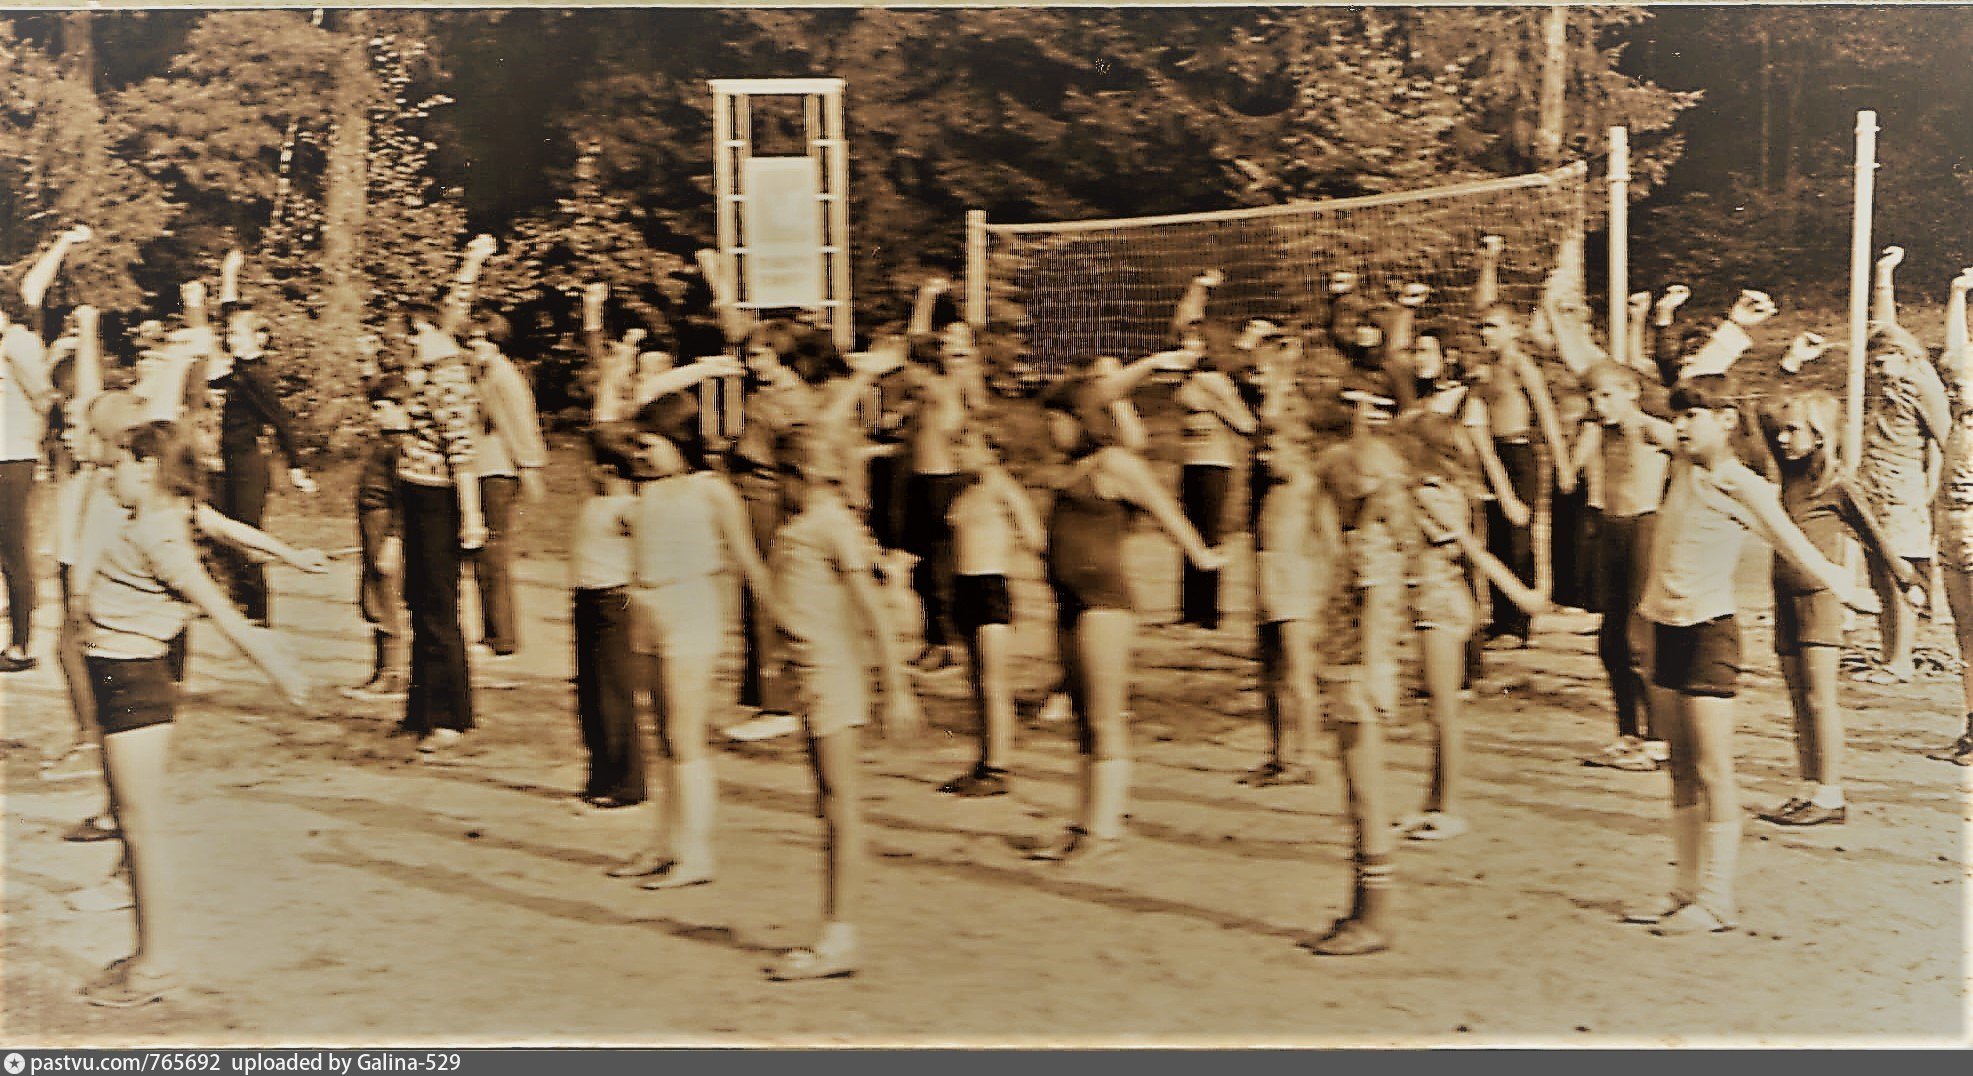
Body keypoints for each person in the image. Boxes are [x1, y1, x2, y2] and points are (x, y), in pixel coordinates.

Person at [74, 418, 309, 1007]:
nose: (111, 474)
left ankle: (157, 965)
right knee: (131, 826)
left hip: (134, 686)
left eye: (120, 463)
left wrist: (278, 669)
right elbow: (235, 531)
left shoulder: (162, 536)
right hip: (115, 681)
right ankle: (146, 949)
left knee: (142, 828)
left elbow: (222, 612)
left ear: (149, 467)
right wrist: (292, 555)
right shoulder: (173, 513)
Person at [1624, 374, 1867, 937]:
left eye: (1694, 416)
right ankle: (1684, 892)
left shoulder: (1745, 484)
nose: (1682, 426)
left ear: (1727, 420)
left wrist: (1843, 584)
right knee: (1679, 770)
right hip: (1665, 629)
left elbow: (1792, 542)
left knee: (1712, 770)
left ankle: (1718, 899)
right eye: (1679, 416)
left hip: (1710, 635)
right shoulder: (1682, 465)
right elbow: (1626, 404)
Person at [1030, 370, 1225, 865]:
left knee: (1104, 718)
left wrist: (1202, 556)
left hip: (1104, 605)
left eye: (1056, 420)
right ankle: (1082, 823)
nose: (1050, 430)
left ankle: (1105, 829)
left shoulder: (1115, 463)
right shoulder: (1074, 465)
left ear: (1080, 419)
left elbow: (1165, 508)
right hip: (1070, 604)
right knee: (1083, 721)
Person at [763, 430, 922, 981]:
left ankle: (839, 936)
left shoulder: (833, 525)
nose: (775, 487)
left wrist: (896, 685)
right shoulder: (807, 525)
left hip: (833, 677)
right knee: (829, 803)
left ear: (801, 476)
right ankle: (835, 931)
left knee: (840, 804)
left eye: (781, 476)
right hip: (810, 676)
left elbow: (873, 610)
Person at [606, 390, 771, 890]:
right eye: (636, 446)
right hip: (648, 614)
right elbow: (605, 423)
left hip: (691, 612)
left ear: (680, 441)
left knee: (685, 736)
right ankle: (666, 845)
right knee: (661, 736)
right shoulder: (646, 490)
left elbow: (747, 561)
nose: (638, 454)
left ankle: (695, 854)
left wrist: (782, 622)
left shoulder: (710, 489)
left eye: (648, 444)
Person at [1755, 390, 1921, 824]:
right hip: (1783, 600)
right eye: (1782, 431)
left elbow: (1877, 538)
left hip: (1818, 602)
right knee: (1796, 698)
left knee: (1819, 699)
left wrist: (1907, 582)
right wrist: (1789, 371)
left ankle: (1830, 796)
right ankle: (1808, 788)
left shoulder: (1838, 484)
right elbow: (1761, 415)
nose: (1783, 437)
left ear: (1821, 436)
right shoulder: (1787, 476)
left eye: (1795, 430)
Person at [1300, 422, 1415, 956]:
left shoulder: (1368, 543)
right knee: (1359, 794)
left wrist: (1373, 674)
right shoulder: (1371, 540)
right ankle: (1363, 908)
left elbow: (1373, 613)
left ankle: (1375, 917)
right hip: (1351, 670)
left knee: (1365, 796)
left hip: (1357, 675)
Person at [394, 288, 489, 759]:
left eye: (414, 334)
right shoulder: (430, 373)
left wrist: (471, 516)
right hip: (415, 492)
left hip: (439, 500)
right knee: (419, 602)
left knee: (438, 608)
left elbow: (462, 450)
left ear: (431, 330)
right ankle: (421, 709)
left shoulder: (451, 378)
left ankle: (451, 717)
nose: (409, 343)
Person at [205, 249, 318, 627]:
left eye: (237, 335)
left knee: (247, 534)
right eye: (230, 334)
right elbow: (229, 312)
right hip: (229, 461)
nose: (230, 338)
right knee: (225, 531)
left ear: (260, 338)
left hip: (250, 465)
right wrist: (230, 274)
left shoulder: (256, 377)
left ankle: (259, 612)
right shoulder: (238, 367)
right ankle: (241, 598)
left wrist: (297, 468)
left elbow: (282, 422)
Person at [1853, 247, 1950, 685]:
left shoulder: (1920, 382)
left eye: (1881, 361)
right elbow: (1881, 323)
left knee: (1899, 577)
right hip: (1872, 487)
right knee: (1879, 575)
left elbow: (1948, 440)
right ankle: (1891, 652)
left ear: (1903, 355)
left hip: (1902, 491)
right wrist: (1883, 276)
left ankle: (1901, 659)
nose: (1875, 369)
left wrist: (1940, 495)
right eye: (1871, 363)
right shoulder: (1886, 380)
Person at [936, 429, 1045, 797]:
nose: (958, 452)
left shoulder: (1003, 488)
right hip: (963, 588)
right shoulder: (965, 490)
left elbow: (1035, 536)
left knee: (993, 682)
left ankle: (999, 767)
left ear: (990, 451)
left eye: (966, 445)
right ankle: (984, 762)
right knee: (977, 683)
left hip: (989, 588)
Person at [1, 225, 87, 672]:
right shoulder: (11, 340)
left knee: (15, 552)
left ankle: (21, 647)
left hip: (12, 459)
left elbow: (44, 399)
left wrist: (45, 438)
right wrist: (63, 244)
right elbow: (35, 280)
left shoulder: (18, 342)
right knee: (8, 553)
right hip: (7, 455)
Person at [1168, 272, 1258, 632]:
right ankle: (1191, 611)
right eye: (1185, 343)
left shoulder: (1212, 381)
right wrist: (1198, 288)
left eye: (1193, 343)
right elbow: (1180, 322)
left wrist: (1223, 418)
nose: (1187, 347)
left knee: (1208, 535)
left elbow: (1247, 423)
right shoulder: (1184, 377)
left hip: (1214, 464)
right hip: (1191, 462)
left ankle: (1208, 613)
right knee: (1189, 534)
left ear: (1204, 348)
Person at [463, 311, 548, 661]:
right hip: (485, 469)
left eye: (482, 341)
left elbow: (522, 422)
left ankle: (501, 637)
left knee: (493, 553)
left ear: (497, 342)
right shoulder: (484, 374)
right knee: (485, 554)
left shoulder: (503, 376)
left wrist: (530, 467)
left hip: (498, 472)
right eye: (471, 342)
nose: (475, 347)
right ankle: (493, 633)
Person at [340, 376, 412, 701]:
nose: (376, 415)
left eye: (382, 409)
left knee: (387, 598)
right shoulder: (383, 443)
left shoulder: (400, 447)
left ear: (402, 408)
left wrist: (394, 540)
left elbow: (403, 501)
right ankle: (380, 670)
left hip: (385, 527)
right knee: (373, 597)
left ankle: (395, 675)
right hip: (371, 525)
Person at [1931, 266, 1973, 765]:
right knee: (1965, 638)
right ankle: (1970, 728)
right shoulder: (1959, 423)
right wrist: (1957, 295)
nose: (1956, 389)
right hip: (1951, 531)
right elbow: (1952, 358)